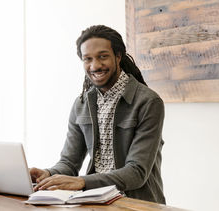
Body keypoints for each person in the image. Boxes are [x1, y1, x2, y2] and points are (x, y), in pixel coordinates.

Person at [30, 25, 165, 203]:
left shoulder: (148, 102)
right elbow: (69, 163)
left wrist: (81, 182)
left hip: (136, 203)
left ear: (118, 56)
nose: (95, 66)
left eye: (103, 57)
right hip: (93, 201)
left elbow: (137, 172)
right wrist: (48, 173)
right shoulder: (81, 104)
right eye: (88, 59)